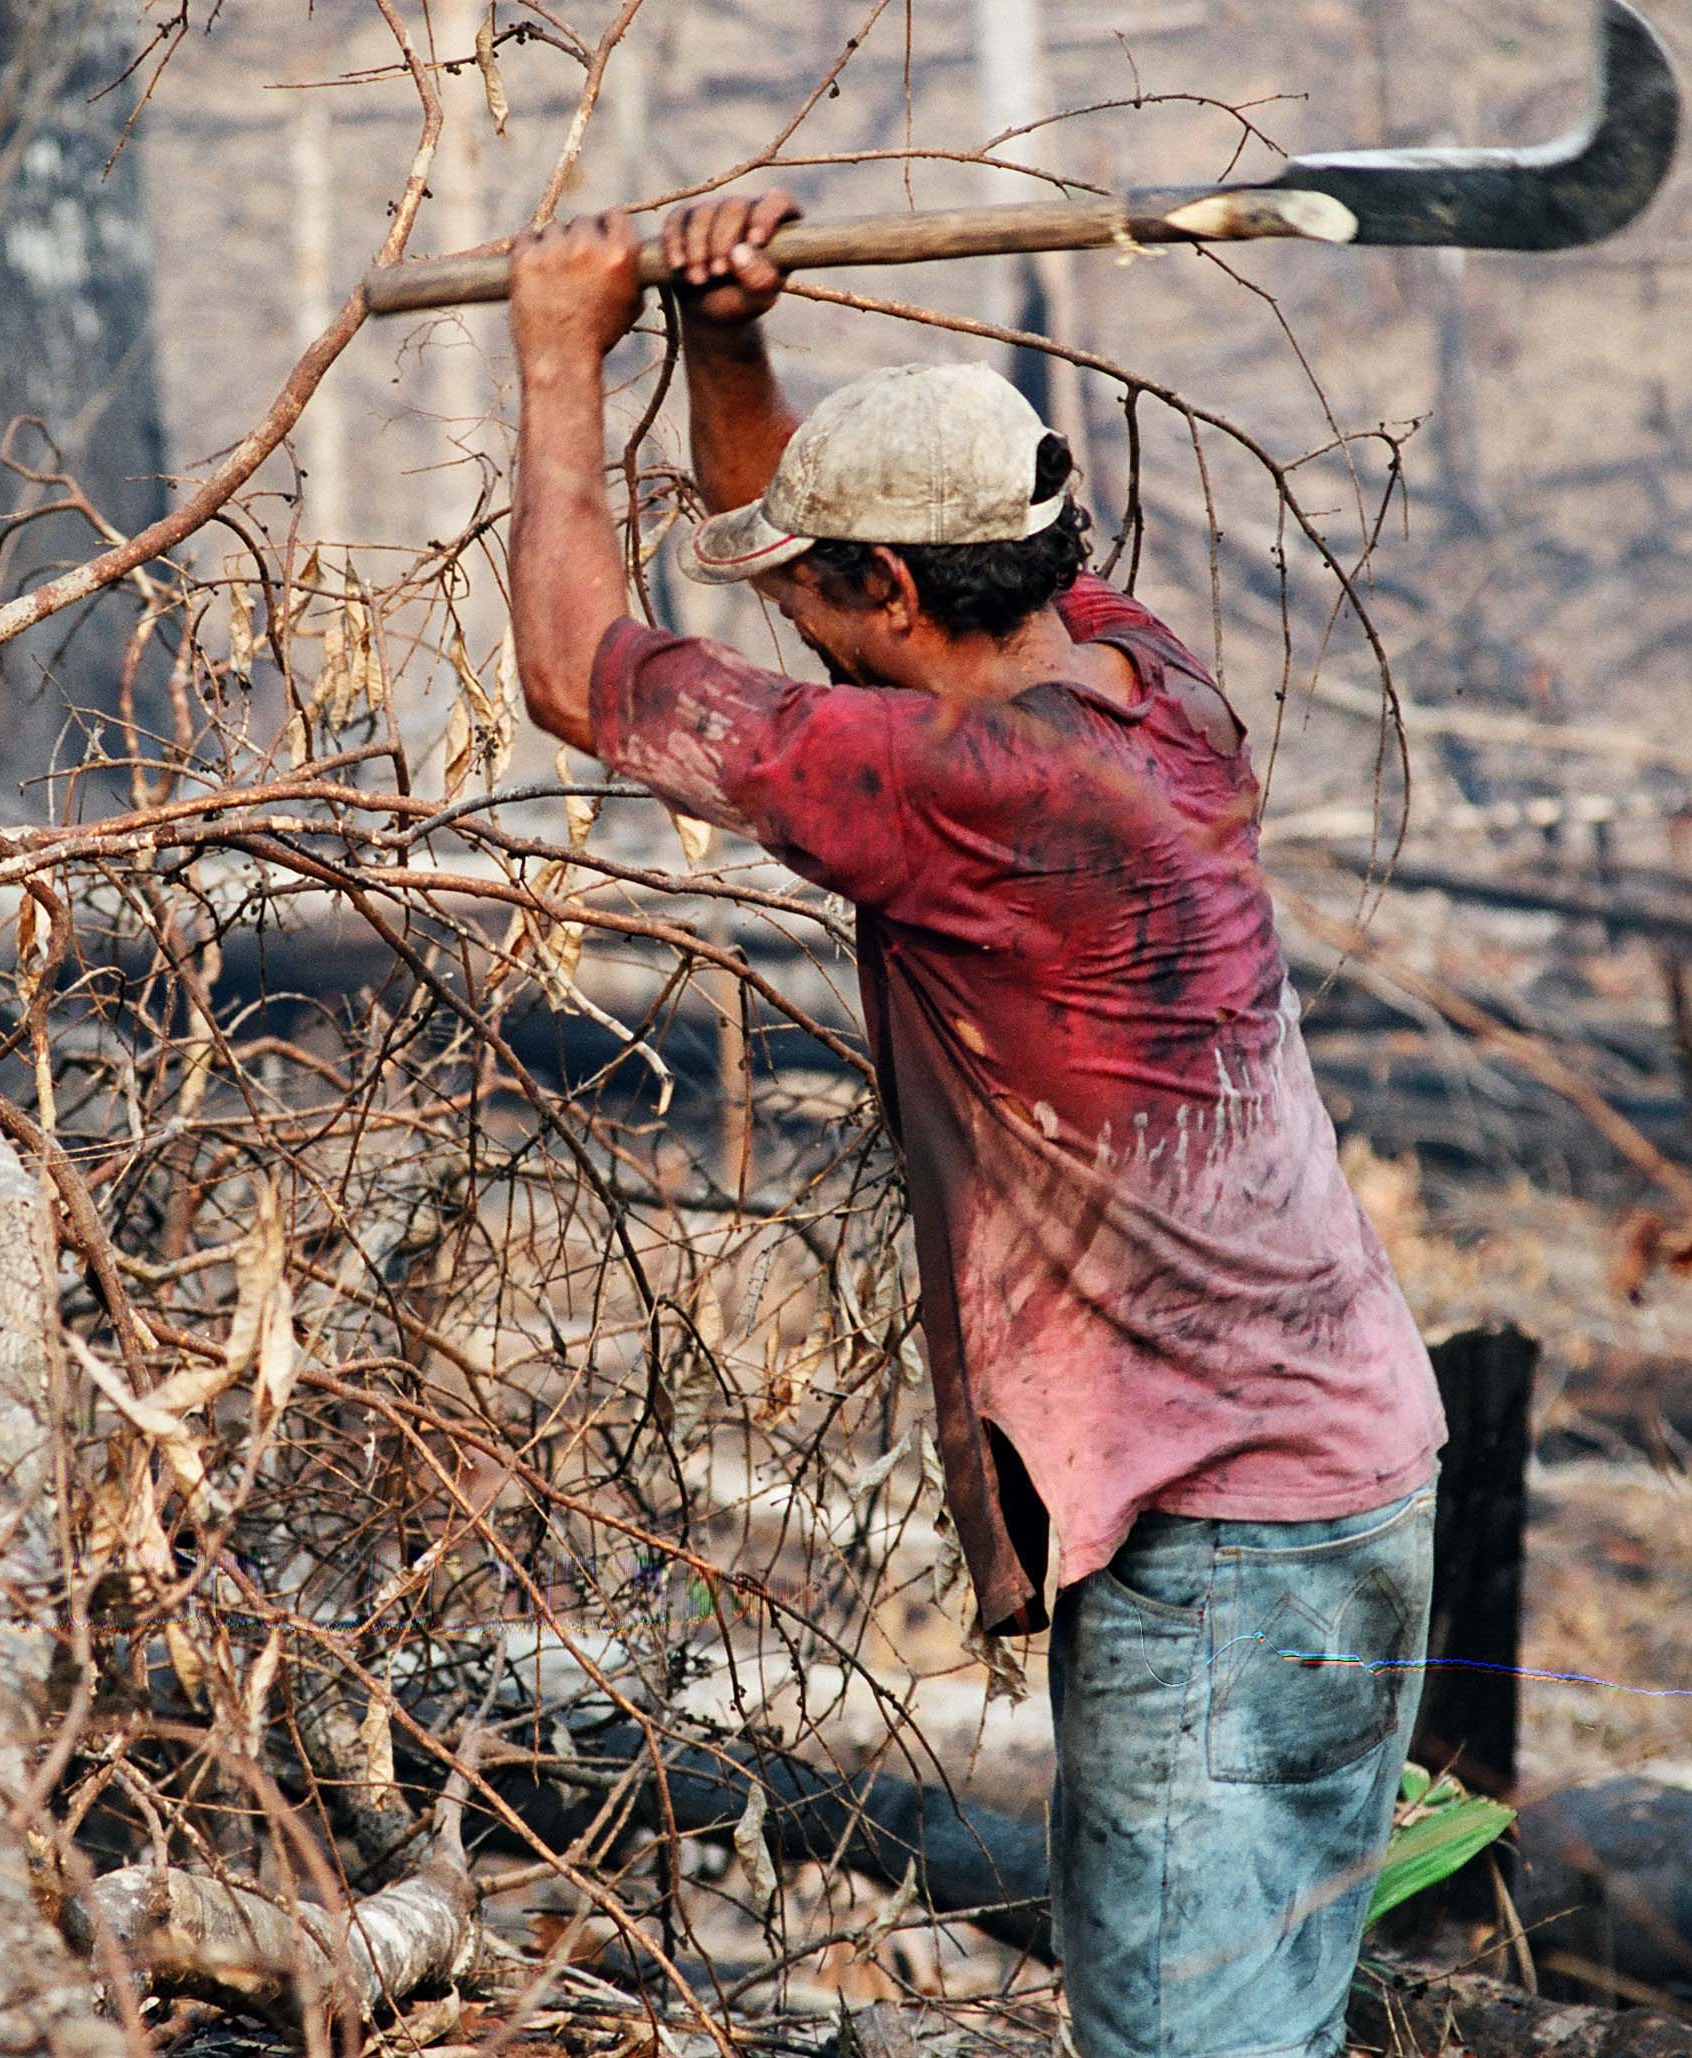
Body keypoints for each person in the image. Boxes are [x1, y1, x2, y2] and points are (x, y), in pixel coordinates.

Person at [502, 190, 1449, 2058]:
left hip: (1216, 1534)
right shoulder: (1129, 671)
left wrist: (558, 351)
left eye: (808, 593)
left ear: (899, 600)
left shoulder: (954, 789)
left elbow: (572, 669)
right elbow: (836, 553)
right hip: (1350, 1475)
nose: (785, 619)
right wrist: (722, 337)